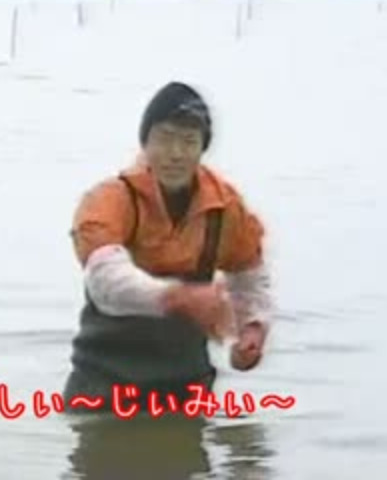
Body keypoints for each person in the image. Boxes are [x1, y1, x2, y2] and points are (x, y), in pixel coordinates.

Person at [63, 81, 274, 413]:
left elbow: (250, 277)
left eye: (189, 141)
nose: (175, 154)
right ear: (145, 142)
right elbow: (104, 280)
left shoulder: (225, 208)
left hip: (186, 389)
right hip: (104, 387)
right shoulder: (109, 200)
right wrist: (178, 298)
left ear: (202, 148)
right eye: (164, 139)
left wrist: (252, 329)